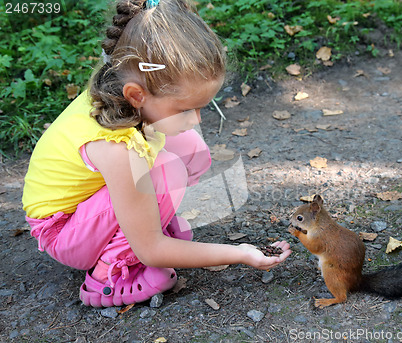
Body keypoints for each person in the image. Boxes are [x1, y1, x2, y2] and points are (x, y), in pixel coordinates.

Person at [22, 0, 291, 308]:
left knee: (190, 147)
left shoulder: (122, 82)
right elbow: (152, 250)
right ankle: (106, 275)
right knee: (168, 170)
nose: (197, 119)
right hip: (64, 231)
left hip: (88, 207)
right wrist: (241, 253)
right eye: (186, 109)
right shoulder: (119, 150)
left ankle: (143, 222)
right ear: (136, 96)